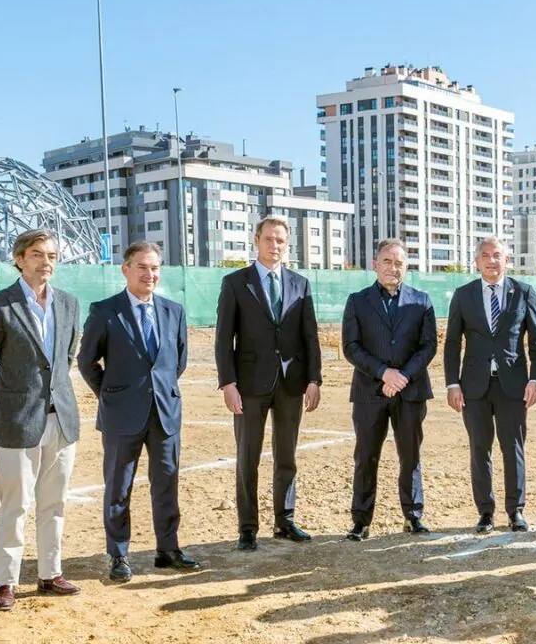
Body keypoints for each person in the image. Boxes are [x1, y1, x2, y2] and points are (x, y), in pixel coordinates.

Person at [77, 240, 198, 582]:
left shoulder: (174, 311)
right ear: (126, 269)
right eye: (142, 267)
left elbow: (178, 361)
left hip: (164, 412)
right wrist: (111, 394)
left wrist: (159, 390)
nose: (150, 274)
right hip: (121, 414)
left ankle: (167, 549)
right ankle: (118, 555)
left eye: (155, 267)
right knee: (118, 487)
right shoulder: (105, 311)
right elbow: (87, 361)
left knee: (167, 483)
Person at [0, 229, 83, 610]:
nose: (46, 262)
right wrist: (5, 403)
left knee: (54, 502)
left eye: (52, 256)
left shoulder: (69, 303)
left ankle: (50, 574)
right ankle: (5, 581)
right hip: (16, 420)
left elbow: (65, 358)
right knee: (15, 505)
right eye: (38, 254)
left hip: (61, 418)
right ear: (20, 259)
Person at [214, 215, 322, 552]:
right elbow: (223, 338)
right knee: (248, 457)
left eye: (280, 241)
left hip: (291, 383)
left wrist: (314, 378)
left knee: (287, 455)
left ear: (287, 245)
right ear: (256, 241)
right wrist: (228, 383)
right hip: (249, 385)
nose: (275, 246)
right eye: (269, 239)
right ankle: (247, 527)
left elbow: (310, 335)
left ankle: (284, 520)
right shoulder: (235, 282)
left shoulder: (300, 283)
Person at [444, 237, 536, 534]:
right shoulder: (463, 295)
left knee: (513, 447)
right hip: (473, 386)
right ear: (476, 262)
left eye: (497, 255)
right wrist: (452, 383)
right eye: (485, 255)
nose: (491, 260)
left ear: (506, 260)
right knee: (480, 449)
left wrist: (535, 379)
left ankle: (516, 511)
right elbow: (452, 343)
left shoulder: (524, 292)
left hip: (513, 385)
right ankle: (485, 512)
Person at [341, 238, 437, 541]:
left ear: (406, 267)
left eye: (399, 263)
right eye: (387, 261)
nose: (392, 268)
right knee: (366, 456)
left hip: (410, 391)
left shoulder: (421, 301)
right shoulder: (357, 301)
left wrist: (402, 376)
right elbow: (350, 347)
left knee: (410, 456)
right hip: (369, 392)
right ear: (375, 264)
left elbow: (428, 346)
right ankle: (361, 521)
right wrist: (384, 373)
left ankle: (413, 516)